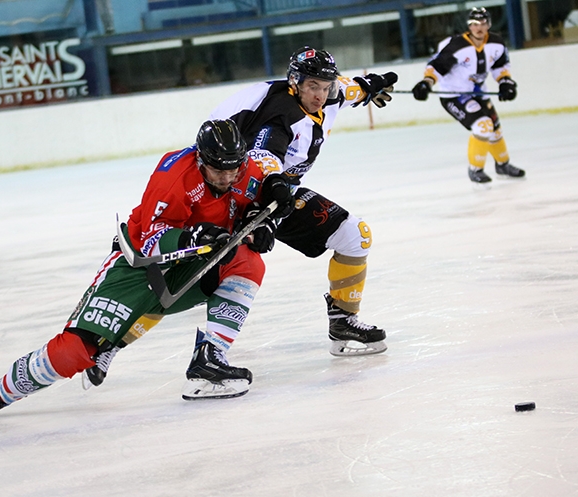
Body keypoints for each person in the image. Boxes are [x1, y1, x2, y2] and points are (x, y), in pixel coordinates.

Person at [83, 47, 394, 391]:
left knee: (354, 236)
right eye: (313, 86)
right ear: (295, 83)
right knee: (180, 282)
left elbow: (346, 90)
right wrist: (275, 185)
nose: (319, 94)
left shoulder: (327, 94)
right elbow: (264, 154)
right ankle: (108, 344)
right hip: (242, 194)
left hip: (276, 193)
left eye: (325, 86)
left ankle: (343, 322)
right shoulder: (281, 113)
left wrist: (369, 87)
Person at [0, 119, 287, 423]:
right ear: (200, 161)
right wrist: (190, 235)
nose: (228, 177)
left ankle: (209, 359)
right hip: (139, 265)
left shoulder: (242, 169)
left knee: (247, 259)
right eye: (219, 171)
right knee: (76, 350)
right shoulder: (173, 178)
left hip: (192, 263)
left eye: (234, 169)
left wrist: (267, 218)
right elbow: (151, 240)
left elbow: (260, 188)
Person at [411, 7, 525, 184]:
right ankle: (475, 170)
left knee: (495, 130)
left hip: (479, 93)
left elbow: (500, 66)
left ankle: (503, 165)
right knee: (483, 126)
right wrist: (426, 83)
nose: (479, 27)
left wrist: (505, 82)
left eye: (483, 23)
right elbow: (437, 67)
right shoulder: (457, 46)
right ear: (469, 26)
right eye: (474, 24)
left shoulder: (497, 44)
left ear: (489, 24)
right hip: (454, 96)